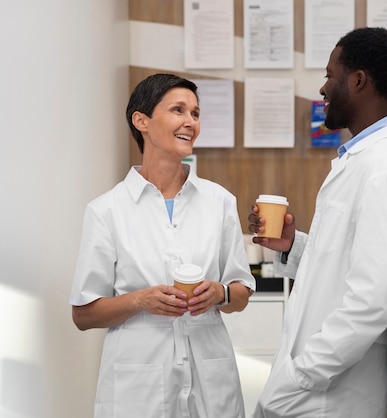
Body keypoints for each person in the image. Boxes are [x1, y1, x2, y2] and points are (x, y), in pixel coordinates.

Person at [248, 27, 387, 417]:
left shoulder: (385, 166)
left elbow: (371, 301)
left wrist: (301, 377)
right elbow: (346, 262)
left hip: (330, 394)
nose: (324, 88)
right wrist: (293, 245)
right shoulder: (362, 159)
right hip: (316, 386)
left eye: (331, 74)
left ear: (358, 80)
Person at [70, 73, 255, 418]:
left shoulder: (220, 202)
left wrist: (220, 293)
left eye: (196, 114)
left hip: (210, 384)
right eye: (179, 110)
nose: (191, 122)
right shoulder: (106, 211)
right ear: (141, 120)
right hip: (138, 390)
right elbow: (83, 314)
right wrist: (140, 300)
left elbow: (241, 292)